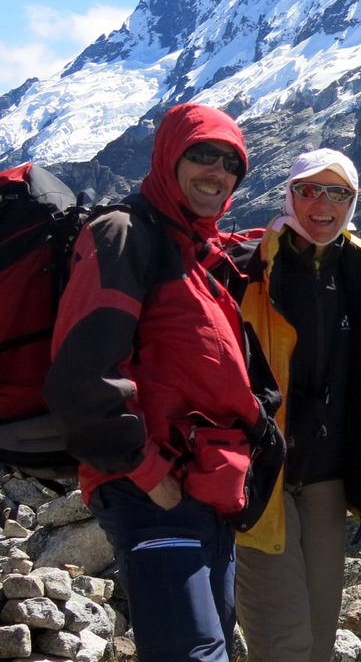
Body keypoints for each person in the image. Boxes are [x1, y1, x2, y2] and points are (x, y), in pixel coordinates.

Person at [44, 103, 282, 662]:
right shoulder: (124, 234)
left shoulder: (197, 251)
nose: (217, 172)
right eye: (201, 155)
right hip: (152, 489)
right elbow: (80, 378)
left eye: (231, 164)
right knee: (192, 654)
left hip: (202, 490)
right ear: (168, 157)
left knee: (210, 647)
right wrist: (149, 473)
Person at [231, 149, 361, 662]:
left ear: (353, 200)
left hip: (325, 477)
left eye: (338, 192)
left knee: (319, 639)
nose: (322, 204)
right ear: (289, 194)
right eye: (309, 190)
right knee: (285, 642)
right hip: (261, 477)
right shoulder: (248, 269)